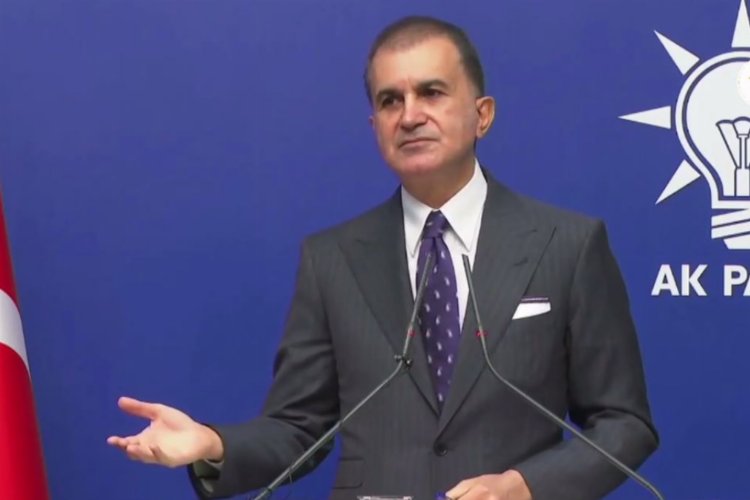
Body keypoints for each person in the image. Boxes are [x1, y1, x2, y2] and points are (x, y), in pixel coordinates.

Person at [108, 15, 658, 500]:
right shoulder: (332, 259)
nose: (410, 115)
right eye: (390, 100)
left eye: (432, 93)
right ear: (375, 126)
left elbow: (624, 423)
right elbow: (299, 428)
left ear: (482, 114)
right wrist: (212, 444)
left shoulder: (566, 244)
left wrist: (526, 486)